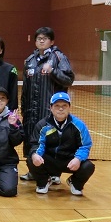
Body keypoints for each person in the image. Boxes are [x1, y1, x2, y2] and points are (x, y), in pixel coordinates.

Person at [20, 27, 75, 180]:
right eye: (39, 38)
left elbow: (69, 79)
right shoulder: (30, 60)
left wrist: (53, 71)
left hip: (50, 111)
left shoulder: (58, 57)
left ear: (52, 41)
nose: (41, 41)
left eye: (45, 38)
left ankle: (54, 173)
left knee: (51, 142)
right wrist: (24, 108)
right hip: (31, 111)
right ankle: (34, 171)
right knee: (31, 140)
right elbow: (25, 88)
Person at [27, 92, 95, 196]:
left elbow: (85, 146)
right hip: (49, 160)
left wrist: (78, 159)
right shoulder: (43, 125)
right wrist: (36, 155)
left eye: (64, 106)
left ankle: (75, 183)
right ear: (51, 108)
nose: (61, 109)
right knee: (31, 159)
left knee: (88, 166)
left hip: (69, 160)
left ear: (69, 107)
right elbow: (37, 144)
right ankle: (44, 181)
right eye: (57, 106)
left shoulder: (79, 125)